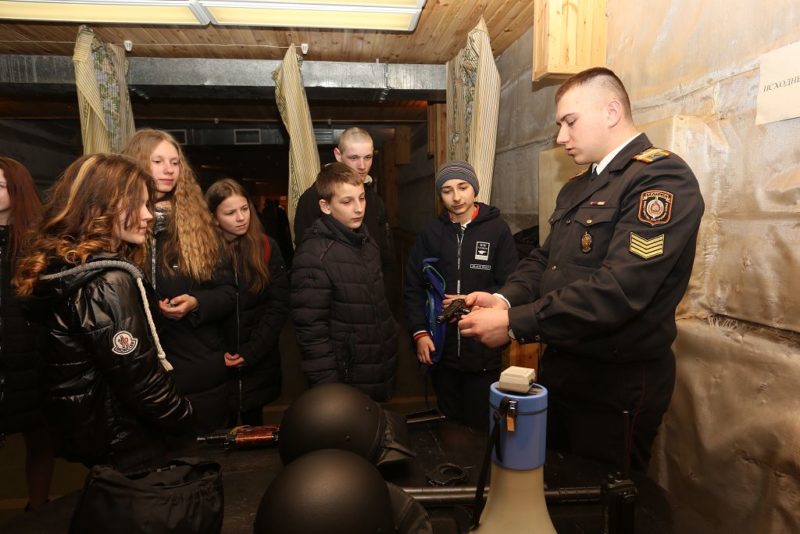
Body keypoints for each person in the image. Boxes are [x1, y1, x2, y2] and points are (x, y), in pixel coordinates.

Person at [459, 67, 705, 472]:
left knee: (601, 495)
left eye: (570, 122)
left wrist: (515, 323)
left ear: (611, 112)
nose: (561, 137)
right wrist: (504, 298)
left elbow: (618, 290)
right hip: (564, 371)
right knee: (558, 482)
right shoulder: (578, 185)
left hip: (615, 383)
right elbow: (546, 260)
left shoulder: (659, 178)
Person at [13, 154, 194, 470]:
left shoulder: (68, 265)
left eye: (148, 204)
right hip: (126, 439)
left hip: (96, 438)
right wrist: (186, 420)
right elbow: (141, 382)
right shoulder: (109, 282)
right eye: (137, 204)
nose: (148, 215)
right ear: (99, 207)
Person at [122, 129, 235, 434]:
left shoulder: (200, 225)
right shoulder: (121, 228)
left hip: (198, 366)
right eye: (158, 161)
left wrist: (197, 302)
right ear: (137, 163)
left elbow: (229, 292)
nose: (169, 170)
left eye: (174, 162)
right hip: (141, 369)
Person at [403, 160, 518, 431]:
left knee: (480, 426)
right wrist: (419, 333)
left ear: (474, 188)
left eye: (463, 187)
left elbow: (511, 285)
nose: (456, 197)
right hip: (441, 349)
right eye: (447, 190)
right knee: (449, 424)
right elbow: (413, 287)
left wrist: (472, 299)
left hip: (483, 352)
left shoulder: (497, 230)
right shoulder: (430, 233)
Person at [290, 163, 398, 402]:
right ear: (325, 206)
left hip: (377, 365)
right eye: (347, 201)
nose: (359, 208)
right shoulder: (313, 256)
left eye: (362, 198)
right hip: (346, 378)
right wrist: (329, 391)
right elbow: (312, 334)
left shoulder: (366, 241)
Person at [206, 178, 290, 426]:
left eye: (244, 209)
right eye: (230, 213)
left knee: (255, 431)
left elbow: (278, 305)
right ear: (213, 218)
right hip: (218, 365)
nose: (241, 217)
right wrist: (217, 356)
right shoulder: (201, 253)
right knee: (220, 430)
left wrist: (251, 352)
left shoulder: (266, 247)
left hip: (258, 362)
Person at [0, 157, 54, 509]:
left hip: (31, 358)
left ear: (17, 191)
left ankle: (38, 508)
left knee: (40, 439)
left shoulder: (36, 244)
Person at [292, 127, 392, 272]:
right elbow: (305, 255)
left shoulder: (375, 199)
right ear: (338, 155)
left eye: (367, 157)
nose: (362, 166)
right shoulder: (313, 197)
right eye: (354, 158)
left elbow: (385, 253)